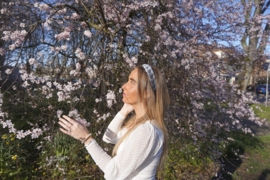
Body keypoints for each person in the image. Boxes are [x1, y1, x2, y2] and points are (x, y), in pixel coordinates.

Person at [58, 64, 170, 179]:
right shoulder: (138, 124)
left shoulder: (147, 131)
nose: (123, 86)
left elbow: (113, 173)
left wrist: (87, 139)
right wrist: (124, 110)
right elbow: (108, 138)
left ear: (147, 93)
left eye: (132, 82)